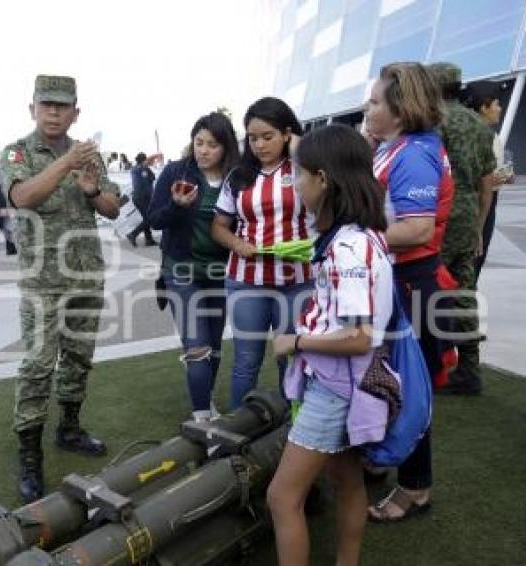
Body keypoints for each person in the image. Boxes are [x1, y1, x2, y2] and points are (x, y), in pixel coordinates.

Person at [268, 123, 393, 566]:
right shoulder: (364, 236)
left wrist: (294, 341)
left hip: (337, 386)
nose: (294, 183)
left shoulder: (348, 248)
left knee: (282, 497)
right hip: (347, 384)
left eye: (298, 174)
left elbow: (359, 337)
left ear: (323, 179)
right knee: (347, 479)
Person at [0, 75, 121, 503]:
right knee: (36, 365)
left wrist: (92, 191)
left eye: (62, 105)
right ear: (31, 108)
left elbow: (111, 206)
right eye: (45, 104)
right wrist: (68, 162)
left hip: (86, 272)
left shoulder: (90, 156)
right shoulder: (17, 153)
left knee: (78, 357)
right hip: (42, 281)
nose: (53, 111)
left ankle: (69, 427)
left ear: (75, 112)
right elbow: (24, 197)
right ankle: (29, 454)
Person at [363, 62, 454, 521]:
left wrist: (357, 239)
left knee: (410, 387)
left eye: (376, 101)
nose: (368, 106)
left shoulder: (413, 153)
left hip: (412, 285)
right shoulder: (394, 146)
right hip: (398, 281)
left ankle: (416, 487)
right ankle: (383, 456)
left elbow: (416, 229)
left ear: (400, 110)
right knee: (388, 378)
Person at [211, 97, 311, 409]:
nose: (259, 145)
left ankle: (288, 430)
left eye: (268, 137)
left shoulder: (305, 168)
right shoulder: (239, 175)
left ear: (287, 133)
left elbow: (334, 193)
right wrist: (238, 244)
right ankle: (240, 428)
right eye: (253, 138)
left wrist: (301, 149)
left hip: (298, 280)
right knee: (246, 360)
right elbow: (218, 226)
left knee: (290, 357)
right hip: (246, 280)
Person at [147, 111, 240, 421]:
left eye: (212, 144)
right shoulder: (177, 171)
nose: (203, 150)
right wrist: (175, 205)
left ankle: (206, 401)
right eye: (198, 142)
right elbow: (154, 219)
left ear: (226, 147)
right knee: (197, 348)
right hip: (181, 272)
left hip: (219, 273)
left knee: (214, 348)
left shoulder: (237, 178)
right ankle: (202, 419)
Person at [429, 63, 497, 395]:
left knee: (425, 289)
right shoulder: (480, 125)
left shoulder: (431, 122)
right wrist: (478, 229)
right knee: (463, 294)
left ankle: (428, 366)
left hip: (438, 216)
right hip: (469, 216)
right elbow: (487, 184)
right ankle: (469, 369)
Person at [461, 80, 514, 282]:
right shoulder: (482, 137)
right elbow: (483, 183)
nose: (500, 109)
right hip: (479, 210)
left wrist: (503, 176)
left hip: (480, 206)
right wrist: (478, 229)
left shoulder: (475, 134)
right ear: (484, 107)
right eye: (497, 104)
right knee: (471, 267)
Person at [126, 152, 157, 247]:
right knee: (149, 218)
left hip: (141, 198)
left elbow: (152, 177)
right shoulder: (140, 169)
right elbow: (148, 180)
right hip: (142, 198)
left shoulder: (140, 169)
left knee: (147, 218)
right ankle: (133, 234)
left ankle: (149, 239)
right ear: (144, 160)